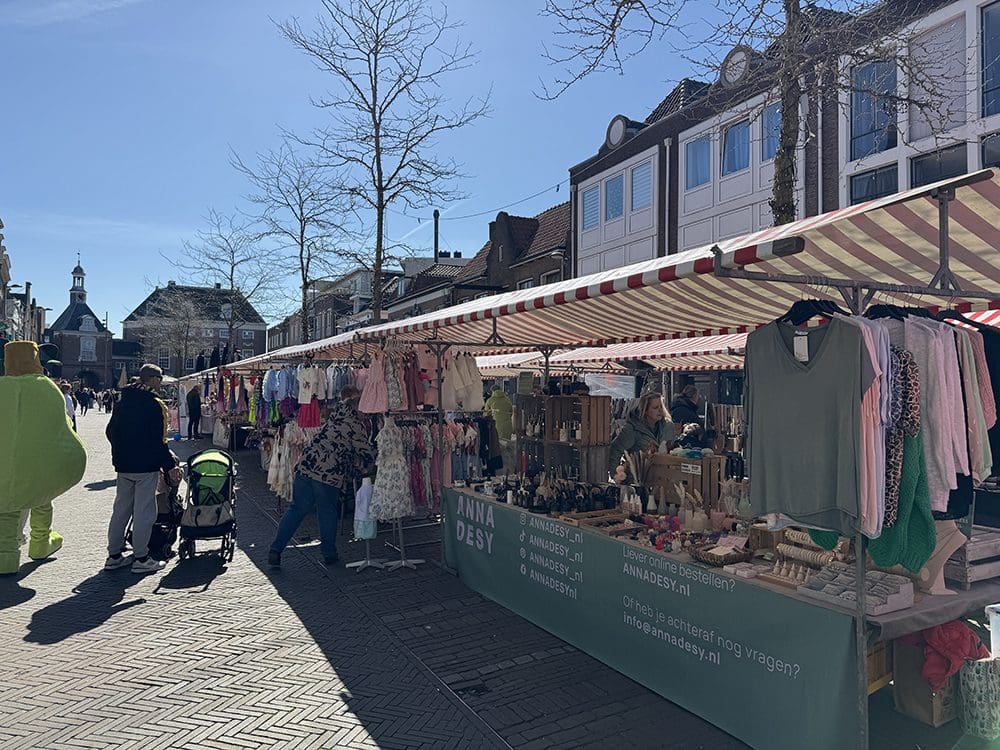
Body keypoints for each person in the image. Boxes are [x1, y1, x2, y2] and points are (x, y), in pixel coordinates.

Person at [0, 341, 87, 574]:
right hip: (38, 464)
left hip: (4, 466)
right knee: (42, 499)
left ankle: (5, 556)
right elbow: (61, 426)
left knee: (6, 509)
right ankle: (40, 542)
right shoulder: (47, 388)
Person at [268, 385, 374, 569]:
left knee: (296, 509)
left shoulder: (334, 417)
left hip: (306, 466)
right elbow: (365, 452)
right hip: (328, 474)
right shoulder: (354, 424)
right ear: (359, 408)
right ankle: (329, 554)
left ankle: (275, 550)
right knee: (327, 512)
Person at [104, 363, 180, 574]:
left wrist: (119, 452)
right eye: (160, 378)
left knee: (121, 509)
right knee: (144, 512)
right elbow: (159, 440)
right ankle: (141, 557)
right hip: (145, 466)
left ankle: (114, 555)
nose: (161, 383)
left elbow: (110, 431)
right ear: (153, 379)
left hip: (123, 464)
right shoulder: (154, 404)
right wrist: (170, 465)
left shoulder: (123, 400)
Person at [608, 391, 670, 474]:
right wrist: (616, 475)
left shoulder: (666, 426)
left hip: (662, 476)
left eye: (661, 407)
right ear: (645, 410)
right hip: (639, 477)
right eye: (655, 407)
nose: (660, 410)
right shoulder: (632, 429)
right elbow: (615, 450)